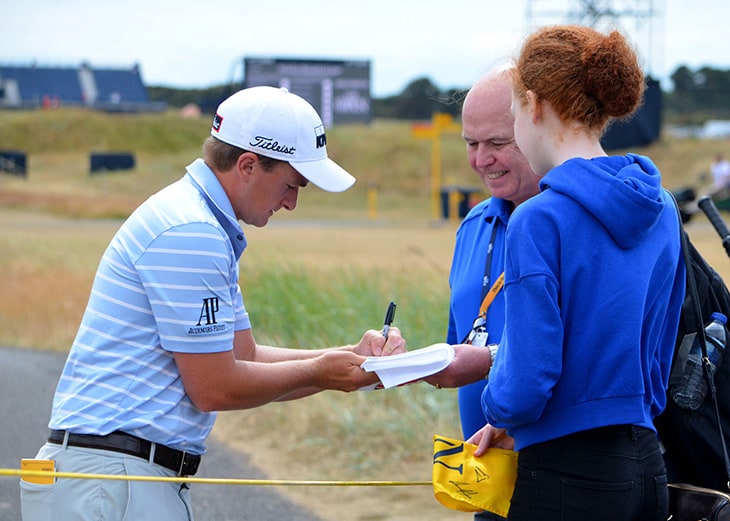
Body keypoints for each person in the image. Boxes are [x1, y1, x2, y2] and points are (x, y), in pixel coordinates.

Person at [20, 86, 406, 521]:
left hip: (115, 477)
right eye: (291, 184)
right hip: (114, 479)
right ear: (247, 165)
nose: (292, 203)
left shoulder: (199, 221)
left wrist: (348, 358)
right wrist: (323, 371)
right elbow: (215, 388)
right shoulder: (193, 231)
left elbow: (247, 357)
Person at [466, 26, 685, 521]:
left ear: (535, 106)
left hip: (566, 475)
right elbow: (659, 351)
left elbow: (528, 379)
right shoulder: (663, 208)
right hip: (648, 467)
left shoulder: (538, 219)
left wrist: (499, 410)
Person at [424, 67, 541, 521]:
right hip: (488, 481)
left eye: (496, 143)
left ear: (538, 130)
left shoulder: (575, 226)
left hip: (563, 480)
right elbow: (463, 342)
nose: (480, 159)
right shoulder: (473, 227)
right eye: (471, 144)